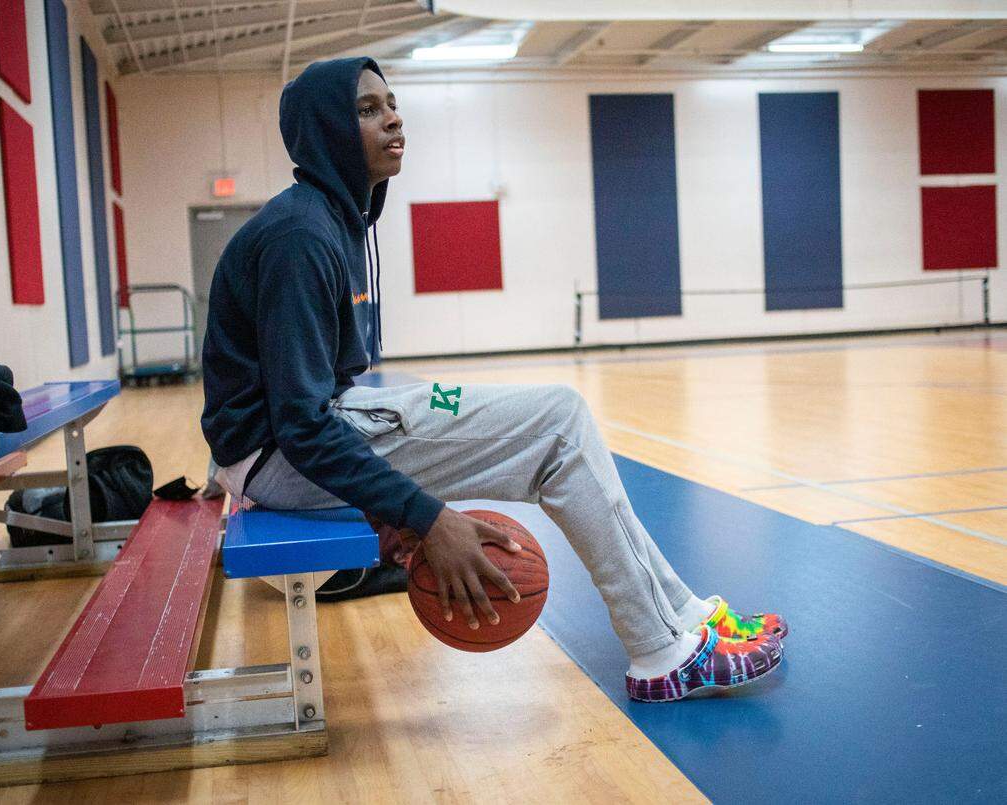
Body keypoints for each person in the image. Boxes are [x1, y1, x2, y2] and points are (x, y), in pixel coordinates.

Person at [202, 58, 786, 702]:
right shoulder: (301, 237)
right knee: (559, 423)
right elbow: (300, 422)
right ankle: (661, 651)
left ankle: (681, 614)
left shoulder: (329, 223)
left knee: (553, 417)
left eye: (392, 103)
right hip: (281, 458)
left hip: (293, 440)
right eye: (368, 108)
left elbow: (305, 397)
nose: (394, 117)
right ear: (325, 130)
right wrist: (425, 516)